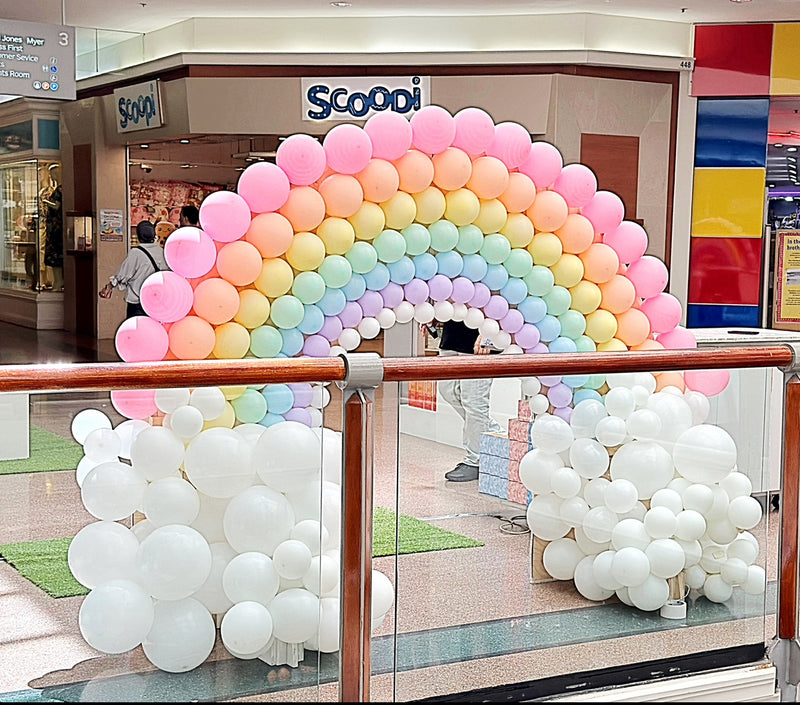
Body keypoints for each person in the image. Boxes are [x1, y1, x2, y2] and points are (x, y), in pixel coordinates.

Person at [437, 319, 503, 482]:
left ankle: (477, 460)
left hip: (479, 342)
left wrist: (489, 335)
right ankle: (497, 434)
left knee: (474, 402)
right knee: (447, 390)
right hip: (452, 335)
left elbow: (501, 301)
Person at [99, 220, 169, 319]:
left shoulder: (136, 253)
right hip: (157, 302)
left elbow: (122, 275)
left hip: (138, 304)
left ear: (139, 237)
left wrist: (108, 287)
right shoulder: (162, 252)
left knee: (137, 332)